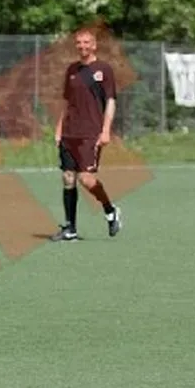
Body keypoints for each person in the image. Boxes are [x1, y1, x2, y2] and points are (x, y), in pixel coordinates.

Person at [50, 27, 123, 241]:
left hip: (90, 133)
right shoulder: (72, 70)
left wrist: (106, 130)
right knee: (68, 177)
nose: (82, 46)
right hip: (69, 133)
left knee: (86, 179)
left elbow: (110, 101)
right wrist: (59, 129)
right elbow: (67, 102)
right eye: (79, 43)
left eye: (86, 42)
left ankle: (110, 210)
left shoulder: (103, 70)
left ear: (94, 45)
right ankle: (70, 228)